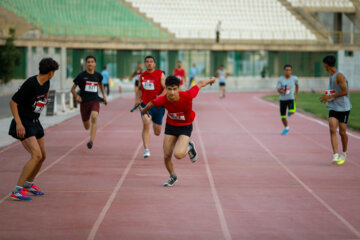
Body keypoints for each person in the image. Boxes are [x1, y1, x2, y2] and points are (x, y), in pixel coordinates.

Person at [141, 76, 215, 186]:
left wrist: (210, 80)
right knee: (166, 155)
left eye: (174, 89)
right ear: (166, 88)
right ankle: (173, 176)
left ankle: (189, 146)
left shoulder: (188, 95)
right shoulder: (163, 99)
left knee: (179, 155)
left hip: (185, 126)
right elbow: (152, 103)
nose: (172, 92)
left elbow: (199, 84)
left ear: (179, 88)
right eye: (169, 89)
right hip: (171, 126)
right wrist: (144, 110)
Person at [8, 58, 59, 201]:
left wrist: (44, 101)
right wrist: (19, 124)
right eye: (54, 72)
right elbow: (13, 102)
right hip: (24, 123)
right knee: (36, 155)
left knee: (42, 156)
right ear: (50, 72)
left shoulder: (46, 83)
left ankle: (29, 184)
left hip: (36, 122)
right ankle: (17, 190)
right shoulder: (30, 84)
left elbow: (44, 94)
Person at [320, 55, 352, 165]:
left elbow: (345, 92)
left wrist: (330, 97)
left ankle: (344, 152)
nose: (323, 66)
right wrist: (326, 95)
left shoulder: (339, 76)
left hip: (344, 107)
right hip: (334, 107)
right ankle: (335, 155)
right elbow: (334, 91)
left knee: (342, 132)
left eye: (324, 64)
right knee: (332, 129)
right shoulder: (331, 76)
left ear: (326, 65)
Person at [71, 55, 107, 149]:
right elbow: (72, 89)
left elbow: (101, 85)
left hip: (94, 100)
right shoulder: (81, 76)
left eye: (92, 62)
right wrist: (77, 96)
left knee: (94, 117)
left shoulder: (98, 75)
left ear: (95, 64)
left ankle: (91, 141)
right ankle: (88, 127)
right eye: (88, 62)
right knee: (87, 126)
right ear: (86, 64)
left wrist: (104, 97)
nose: (90, 63)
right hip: (84, 103)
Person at [135, 56, 166, 158]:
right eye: (147, 62)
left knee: (157, 132)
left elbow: (166, 89)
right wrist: (137, 99)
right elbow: (139, 88)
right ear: (145, 64)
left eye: (151, 61)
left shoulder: (160, 74)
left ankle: (154, 121)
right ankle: (146, 149)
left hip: (158, 105)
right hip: (145, 105)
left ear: (154, 64)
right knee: (146, 122)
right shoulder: (142, 76)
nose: (149, 63)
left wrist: (160, 96)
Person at [276, 64, 299, 135]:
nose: (287, 71)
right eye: (286, 70)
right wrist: (282, 91)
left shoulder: (294, 78)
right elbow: (278, 89)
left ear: (291, 71)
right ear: (284, 71)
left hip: (290, 98)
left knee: (292, 112)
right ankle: (286, 127)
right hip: (282, 99)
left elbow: (297, 85)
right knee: (283, 116)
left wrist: (296, 94)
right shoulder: (280, 79)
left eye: (289, 70)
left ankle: (290, 111)